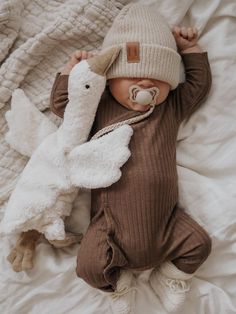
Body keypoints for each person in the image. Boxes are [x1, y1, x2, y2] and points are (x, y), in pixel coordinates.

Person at [12, 3, 213, 313]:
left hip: (168, 223)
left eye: (158, 79)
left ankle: (170, 276)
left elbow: (198, 86)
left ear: (170, 84)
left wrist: (191, 49)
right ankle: (117, 284)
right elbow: (66, 106)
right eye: (134, 75)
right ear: (111, 78)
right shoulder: (100, 107)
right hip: (109, 227)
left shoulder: (168, 109)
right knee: (89, 267)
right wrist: (70, 71)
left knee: (200, 245)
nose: (146, 84)